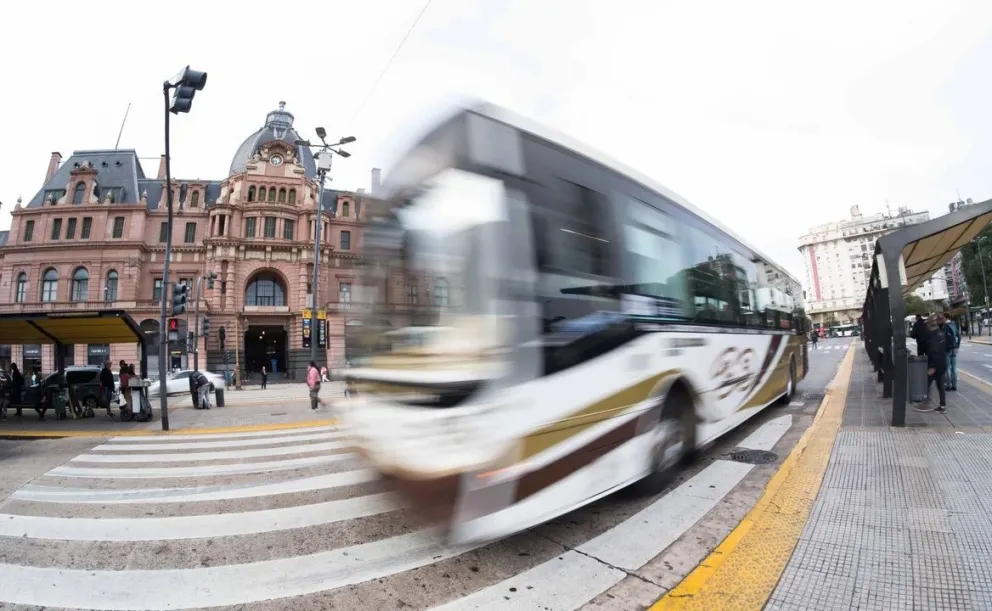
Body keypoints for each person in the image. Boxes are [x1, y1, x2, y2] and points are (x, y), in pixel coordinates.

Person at [944, 312, 961, 391]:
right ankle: (954, 385)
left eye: (943, 318)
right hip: (954, 348)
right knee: (954, 367)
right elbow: (959, 336)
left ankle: (948, 385)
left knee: (947, 367)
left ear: (946, 318)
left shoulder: (945, 326)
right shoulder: (954, 325)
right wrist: (957, 346)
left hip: (947, 349)